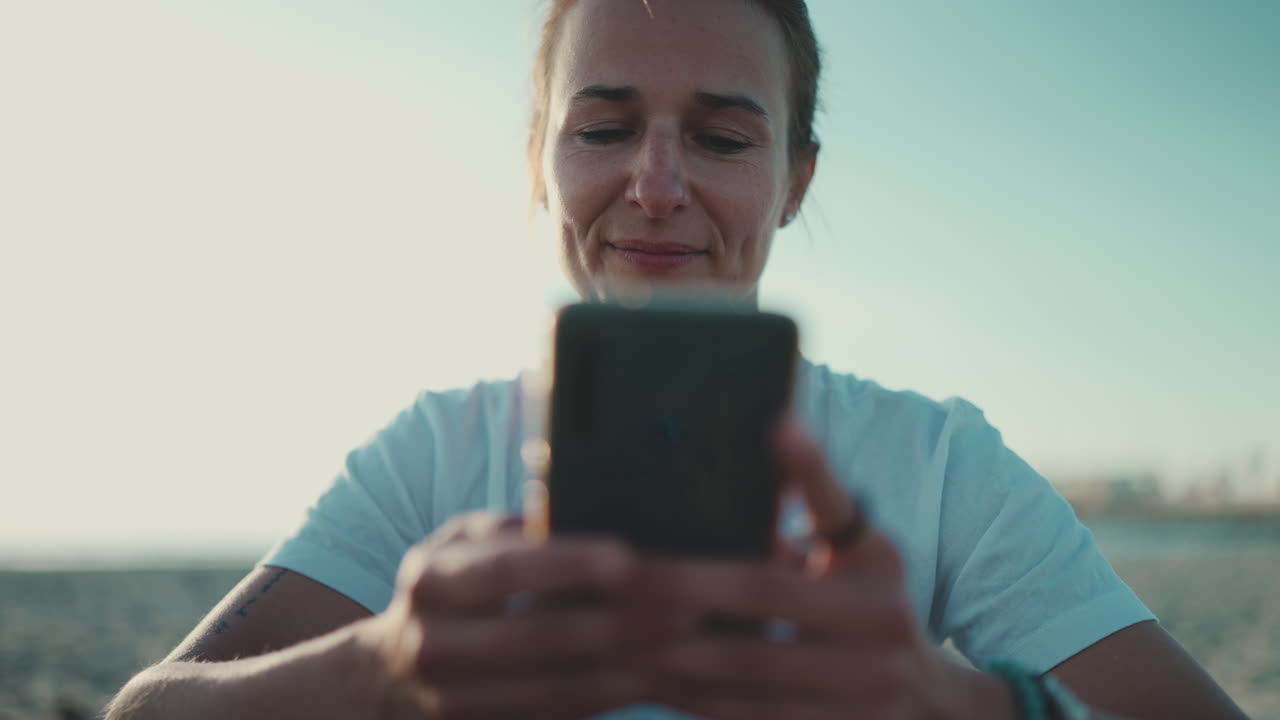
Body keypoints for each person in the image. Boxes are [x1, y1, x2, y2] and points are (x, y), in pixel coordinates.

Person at [108, 1, 1247, 718]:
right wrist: (378, 670)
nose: (656, 186)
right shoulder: (434, 451)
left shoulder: (937, 461)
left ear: (795, 180)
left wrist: (947, 702)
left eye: (722, 136)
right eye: (603, 128)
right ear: (539, 160)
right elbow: (150, 708)